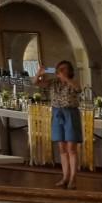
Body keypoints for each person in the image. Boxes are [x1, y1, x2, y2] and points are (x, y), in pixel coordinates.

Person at [36, 60, 83, 189]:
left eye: (64, 68)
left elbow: (78, 89)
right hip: (57, 114)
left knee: (71, 149)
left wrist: (66, 79)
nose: (60, 70)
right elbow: (37, 83)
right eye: (59, 68)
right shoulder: (53, 83)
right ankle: (65, 177)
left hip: (70, 114)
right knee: (62, 148)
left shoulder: (73, 82)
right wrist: (39, 74)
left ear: (70, 71)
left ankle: (73, 178)